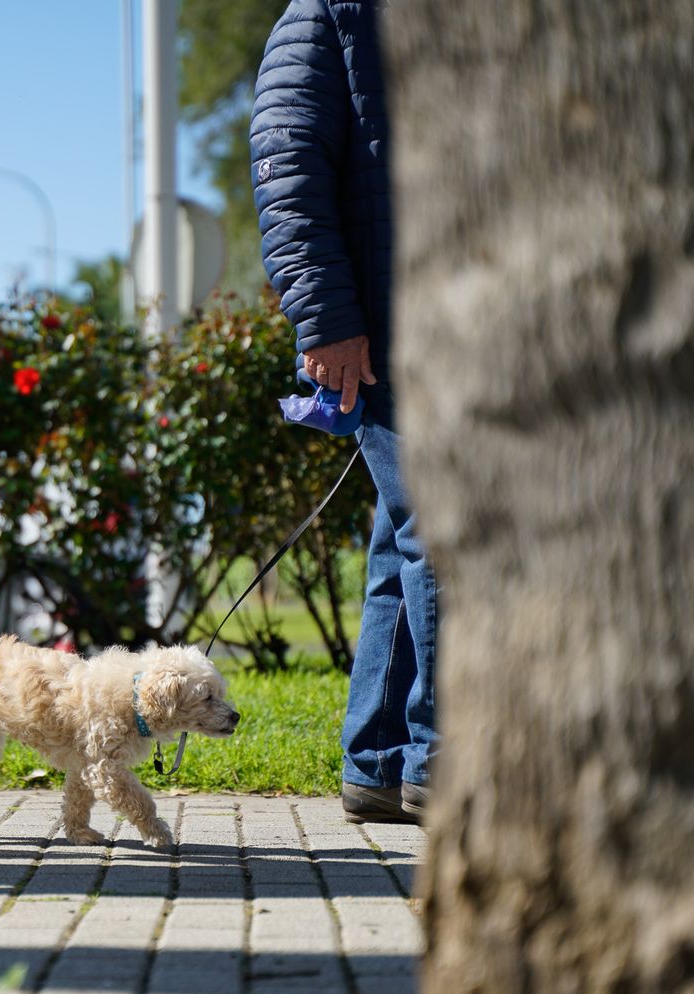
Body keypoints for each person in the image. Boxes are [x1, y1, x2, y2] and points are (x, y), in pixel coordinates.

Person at [251, 0, 438, 824]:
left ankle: (378, 760)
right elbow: (286, 164)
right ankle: (440, 758)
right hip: (392, 323)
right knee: (443, 532)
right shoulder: (331, 11)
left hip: (451, 317)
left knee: (407, 547)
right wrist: (327, 320)